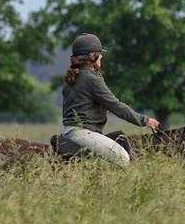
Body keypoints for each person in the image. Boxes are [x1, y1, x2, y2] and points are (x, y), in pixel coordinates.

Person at [61, 33, 159, 166]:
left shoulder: (74, 76)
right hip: (81, 133)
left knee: (120, 138)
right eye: (99, 53)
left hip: (68, 132)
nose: (101, 56)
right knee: (122, 158)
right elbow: (115, 106)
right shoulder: (91, 79)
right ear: (92, 56)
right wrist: (144, 120)